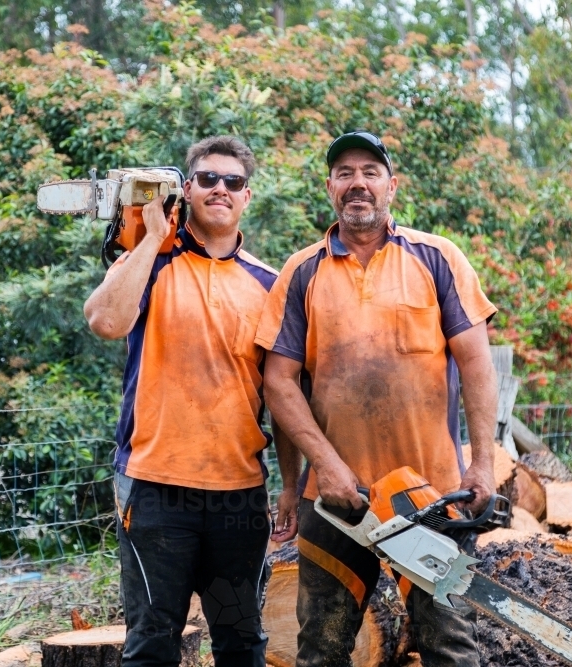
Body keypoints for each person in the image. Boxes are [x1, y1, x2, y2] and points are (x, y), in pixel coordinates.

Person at [256, 131, 499, 667]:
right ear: (329, 188)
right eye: (344, 173)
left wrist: (482, 462)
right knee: (321, 651)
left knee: (450, 649)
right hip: (336, 501)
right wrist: (322, 469)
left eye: (370, 171)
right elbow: (278, 382)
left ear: (392, 185)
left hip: (433, 500)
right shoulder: (301, 273)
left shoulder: (437, 259)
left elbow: (477, 362)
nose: (357, 183)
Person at [83, 135, 298, 667]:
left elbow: (285, 394)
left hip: (237, 499)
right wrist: (153, 238)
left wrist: (293, 484)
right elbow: (106, 321)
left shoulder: (270, 284)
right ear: (187, 188)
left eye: (233, 182)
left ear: (247, 196)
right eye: (207, 178)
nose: (220, 189)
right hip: (155, 492)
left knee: (240, 644)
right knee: (152, 644)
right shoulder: (151, 263)